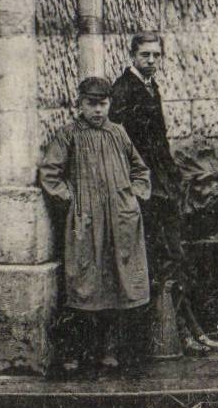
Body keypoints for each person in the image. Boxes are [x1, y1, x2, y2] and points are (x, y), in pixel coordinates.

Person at [110, 33, 218, 356]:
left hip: (161, 189)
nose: (151, 61)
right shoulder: (122, 92)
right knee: (164, 261)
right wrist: (141, 187)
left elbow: (160, 143)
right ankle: (181, 336)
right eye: (145, 55)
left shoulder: (151, 88)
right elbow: (123, 149)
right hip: (144, 193)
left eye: (156, 55)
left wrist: (173, 179)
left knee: (174, 260)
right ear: (132, 54)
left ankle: (190, 332)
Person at [38, 75, 152, 377]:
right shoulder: (69, 135)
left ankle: (113, 351)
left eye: (102, 104)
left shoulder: (119, 133)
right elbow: (50, 173)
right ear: (80, 104)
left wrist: (134, 197)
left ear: (110, 104)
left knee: (120, 282)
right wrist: (71, 199)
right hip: (87, 221)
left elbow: (140, 169)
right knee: (85, 284)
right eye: (91, 104)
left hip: (120, 220)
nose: (97, 111)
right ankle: (83, 353)